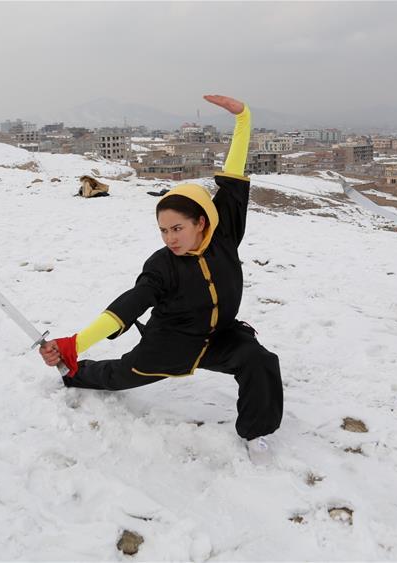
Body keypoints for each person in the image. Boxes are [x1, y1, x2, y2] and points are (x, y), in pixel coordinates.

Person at [40, 95, 283, 460]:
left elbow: (233, 178)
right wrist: (75, 345)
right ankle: (74, 374)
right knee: (121, 375)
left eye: (177, 229)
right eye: (163, 230)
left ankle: (254, 434)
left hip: (219, 336)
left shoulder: (224, 235)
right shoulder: (162, 266)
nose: (170, 238)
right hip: (170, 345)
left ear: (202, 222)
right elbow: (128, 305)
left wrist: (243, 118)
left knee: (259, 361)